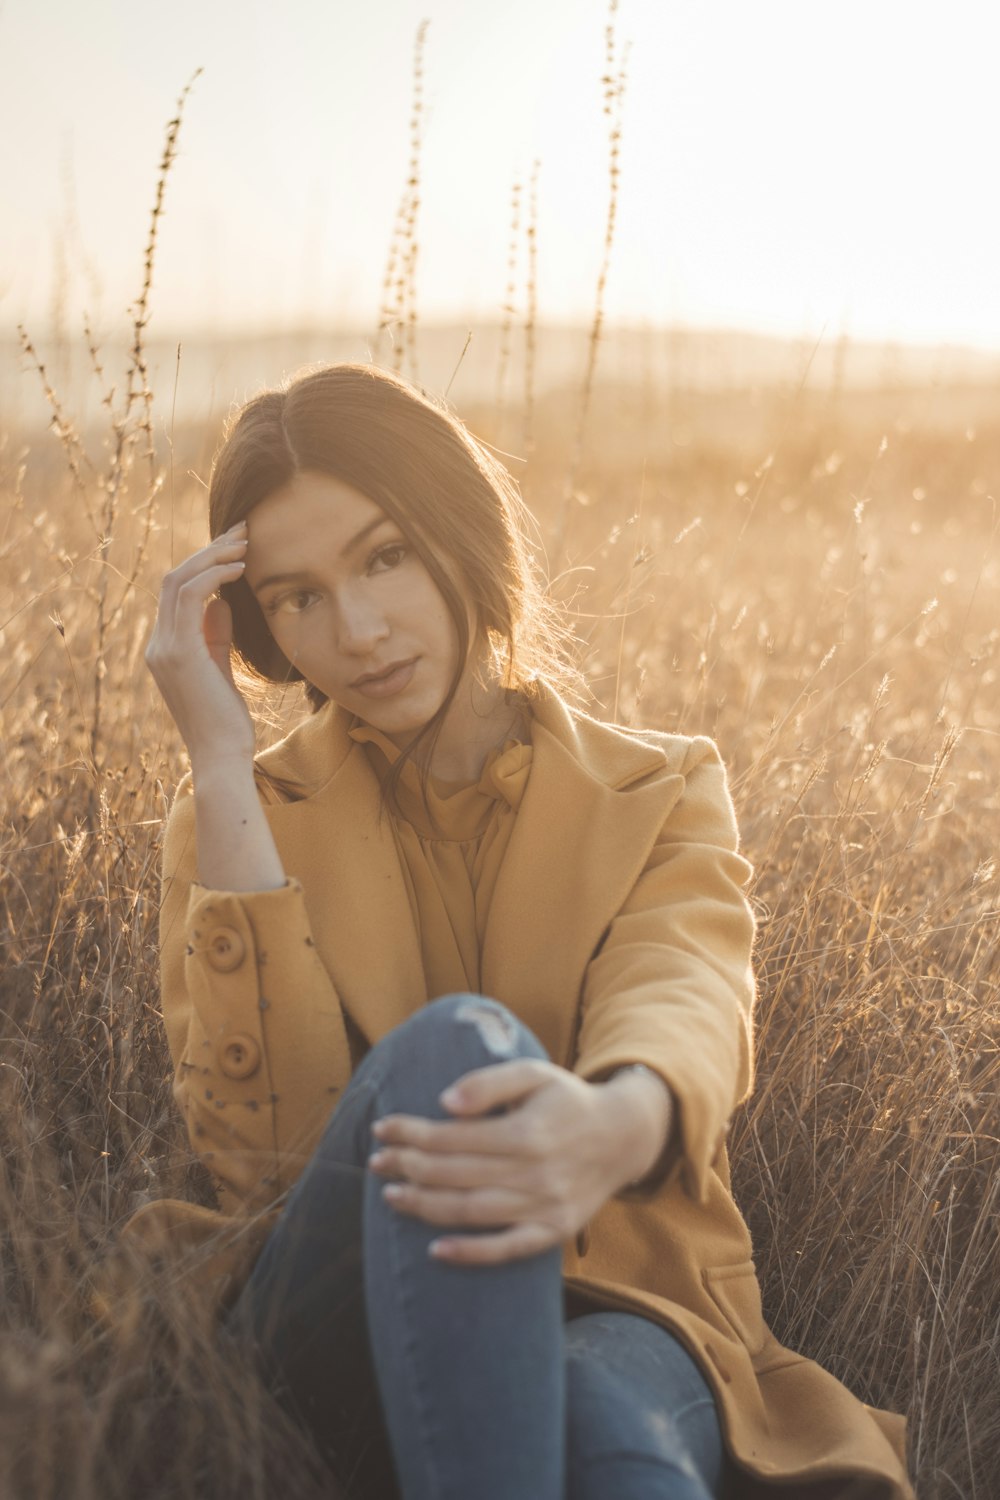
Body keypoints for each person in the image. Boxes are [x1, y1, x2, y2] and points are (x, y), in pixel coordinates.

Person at [121, 362, 914, 1499]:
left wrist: (616, 1121)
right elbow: (273, 1162)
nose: (358, 629)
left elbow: (683, 986)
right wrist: (215, 763)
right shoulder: (237, 820)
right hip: (333, 1316)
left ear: (461, 536)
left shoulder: (659, 786)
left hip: (631, 1302)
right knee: (455, 1050)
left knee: (607, 1431)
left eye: (386, 557)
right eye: (297, 597)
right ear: (260, 631)